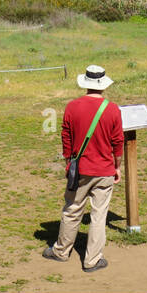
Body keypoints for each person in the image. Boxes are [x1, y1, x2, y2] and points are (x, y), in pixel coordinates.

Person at [43, 64, 124, 272]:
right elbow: (117, 143)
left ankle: (61, 251)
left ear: (85, 84)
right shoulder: (113, 109)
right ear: (103, 85)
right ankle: (92, 260)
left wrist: (68, 164)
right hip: (104, 170)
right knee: (99, 216)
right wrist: (117, 167)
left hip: (79, 169)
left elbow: (66, 138)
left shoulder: (72, 107)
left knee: (72, 209)